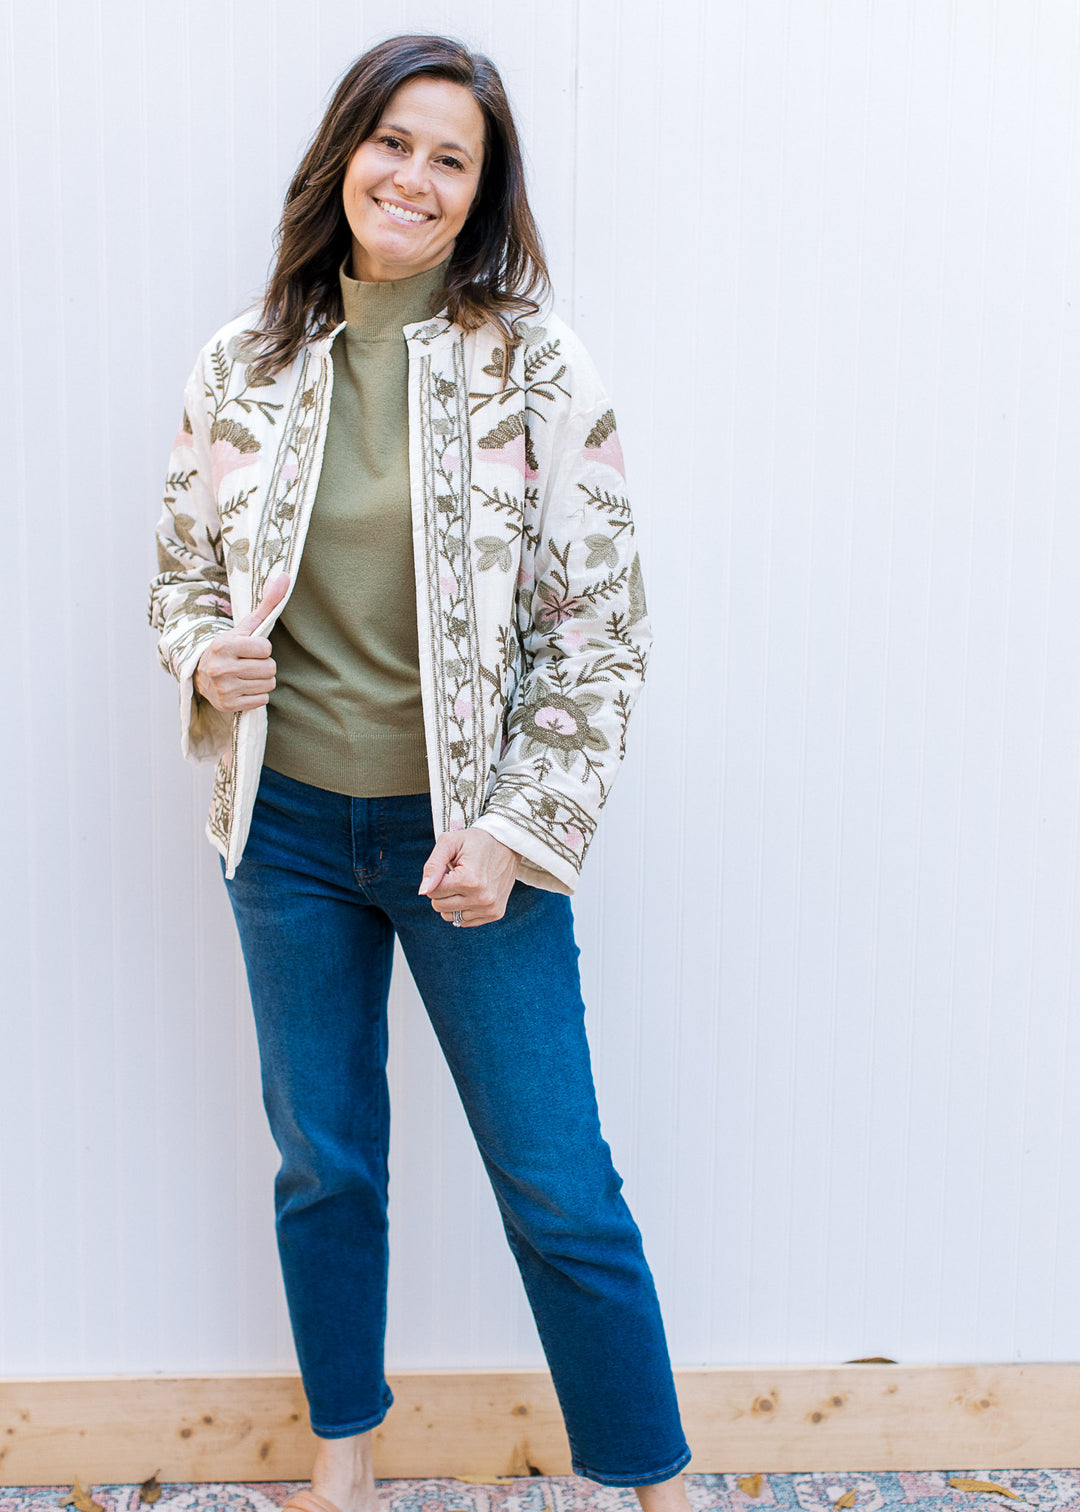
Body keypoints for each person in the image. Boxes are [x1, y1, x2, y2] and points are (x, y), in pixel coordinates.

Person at [149, 33, 692, 1512]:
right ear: (345, 153)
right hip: (286, 838)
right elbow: (181, 576)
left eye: (451, 158)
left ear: (480, 194)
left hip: (475, 851)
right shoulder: (244, 362)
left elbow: (604, 630)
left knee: (558, 1186)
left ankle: (655, 1486)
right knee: (328, 1167)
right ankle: (345, 1471)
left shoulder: (536, 366)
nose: (415, 176)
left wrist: (516, 831)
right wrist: (208, 655)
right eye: (395, 141)